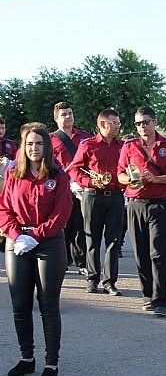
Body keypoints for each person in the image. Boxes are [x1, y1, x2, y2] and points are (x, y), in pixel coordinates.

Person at [0, 126, 73, 376]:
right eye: (30, 143)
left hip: (49, 243)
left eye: (39, 144)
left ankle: (51, 363)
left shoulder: (58, 176)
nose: (34, 148)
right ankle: (26, 357)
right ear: (23, 146)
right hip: (18, 243)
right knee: (20, 305)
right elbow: (4, 207)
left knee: (48, 305)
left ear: (46, 147)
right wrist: (16, 235)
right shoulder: (12, 173)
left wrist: (36, 236)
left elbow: (62, 213)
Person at [116, 106, 166, 317]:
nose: (142, 126)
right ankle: (147, 295)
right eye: (138, 123)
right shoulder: (129, 147)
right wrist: (131, 180)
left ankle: (160, 299)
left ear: (155, 122)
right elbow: (119, 174)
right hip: (136, 203)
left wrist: (158, 179)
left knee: (158, 253)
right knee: (141, 253)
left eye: (145, 122)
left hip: (160, 204)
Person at [68, 109, 124, 296]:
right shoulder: (88, 144)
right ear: (102, 124)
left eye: (118, 123)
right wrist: (90, 182)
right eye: (114, 123)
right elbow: (75, 170)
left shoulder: (123, 146)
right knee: (92, 239)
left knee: (113, 241)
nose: (117, 126)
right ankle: (92, 279)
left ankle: (110, 281)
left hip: (116, 196)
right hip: (92, 196)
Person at [49, 102, 91, 273]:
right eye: (64, 114)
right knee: (62, 223)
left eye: (70, 113)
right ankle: (63, 260)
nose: (68, 117)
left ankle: (82, 262)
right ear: (56, 118)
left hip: (81, 187)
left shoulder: (84, 137)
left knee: (81, 225)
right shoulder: (50, 139)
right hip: (62, 187)